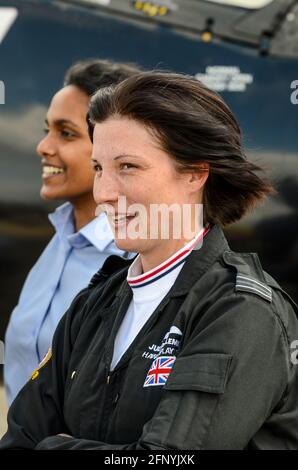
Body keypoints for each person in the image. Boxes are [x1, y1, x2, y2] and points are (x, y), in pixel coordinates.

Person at [1, 71, 298, 450]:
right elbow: (20, 439)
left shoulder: (242, 312)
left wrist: (55, 447)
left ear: (195, 172)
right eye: (98, 168)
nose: (104, 192)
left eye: (127, 166)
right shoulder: (92, 306)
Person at [4, 59, 140, 405]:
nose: (43, 146)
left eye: (65, 133)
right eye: (46, 129)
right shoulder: (62, 235)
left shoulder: (136, 261)